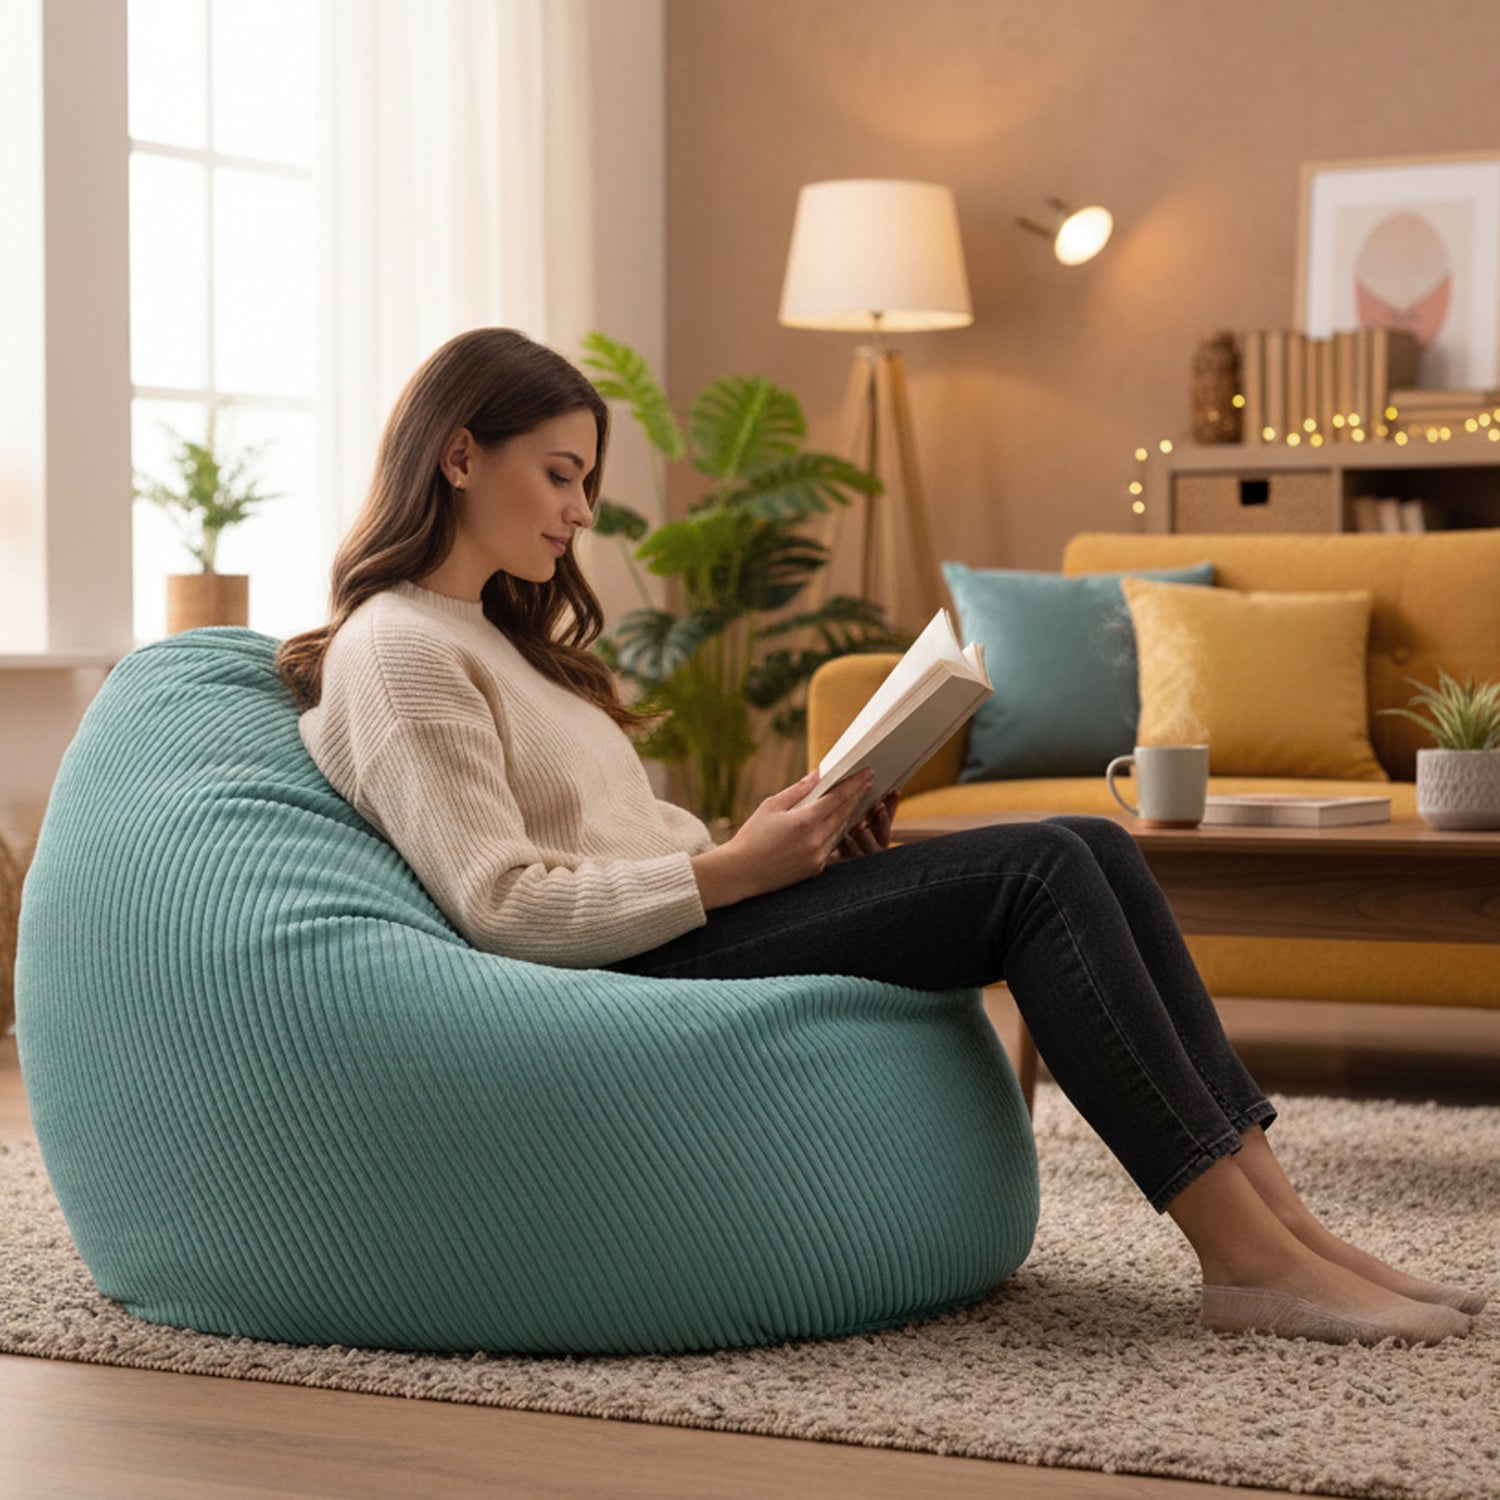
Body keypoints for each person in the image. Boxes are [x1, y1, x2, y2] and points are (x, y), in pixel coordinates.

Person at [278, 327, 1484, 1347]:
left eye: (583, 480)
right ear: (458, 454)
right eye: (559, 476)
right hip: (625, 972)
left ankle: (1284, 1226)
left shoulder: (496, 634)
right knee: (1043, 869)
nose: (582, 511)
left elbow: (615, 837)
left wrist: (774, 836)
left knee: (1095, 843)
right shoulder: (400, 651)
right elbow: (503, 904)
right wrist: (736, 870)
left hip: (690, 914)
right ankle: (1242, 1257)